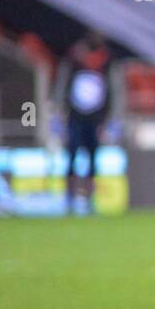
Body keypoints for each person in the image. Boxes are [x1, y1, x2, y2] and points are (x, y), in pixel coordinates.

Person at [57, 30, 111, 214]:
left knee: (93, 158)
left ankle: (89, 198)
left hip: (95, 118)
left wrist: (108, 119)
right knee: (72, 155)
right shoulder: (74, 62)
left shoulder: (106, 64)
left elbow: (111, 93)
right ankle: (70, 198)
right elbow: (63, 89)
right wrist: (60, 114)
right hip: (75, 116)